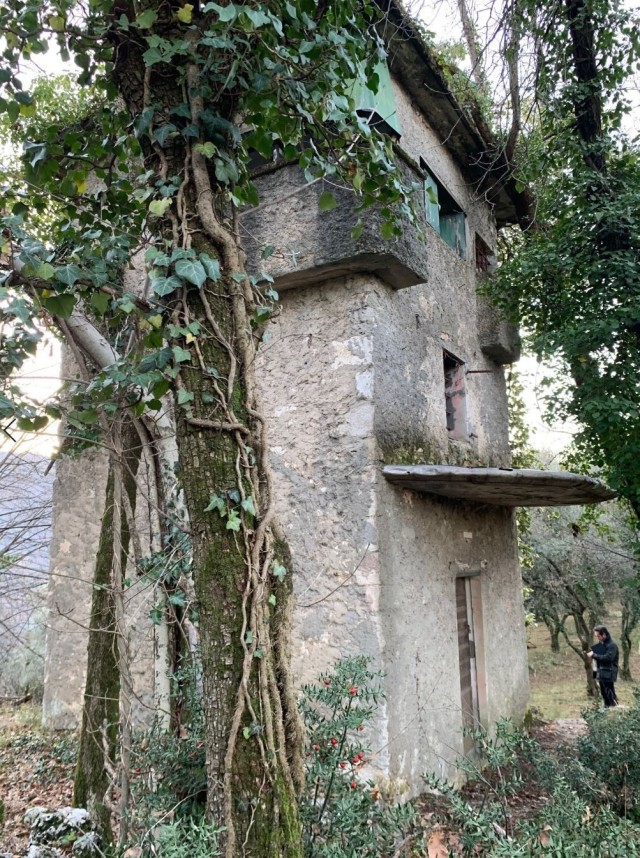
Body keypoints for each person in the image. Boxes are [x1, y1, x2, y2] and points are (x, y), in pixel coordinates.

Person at [587, 625, 619, 708]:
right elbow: (597, 662)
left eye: (599, 636)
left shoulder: (612, 646)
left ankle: (614, 709)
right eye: (596, 636)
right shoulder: (601, 645)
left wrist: (594, 655)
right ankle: (607, 710)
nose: (598, 638)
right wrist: (595, 674)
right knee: (604, 694)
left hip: (609, 673)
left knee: (610, 695)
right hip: (601, 673)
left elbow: (608, 658)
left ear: (604, 634)